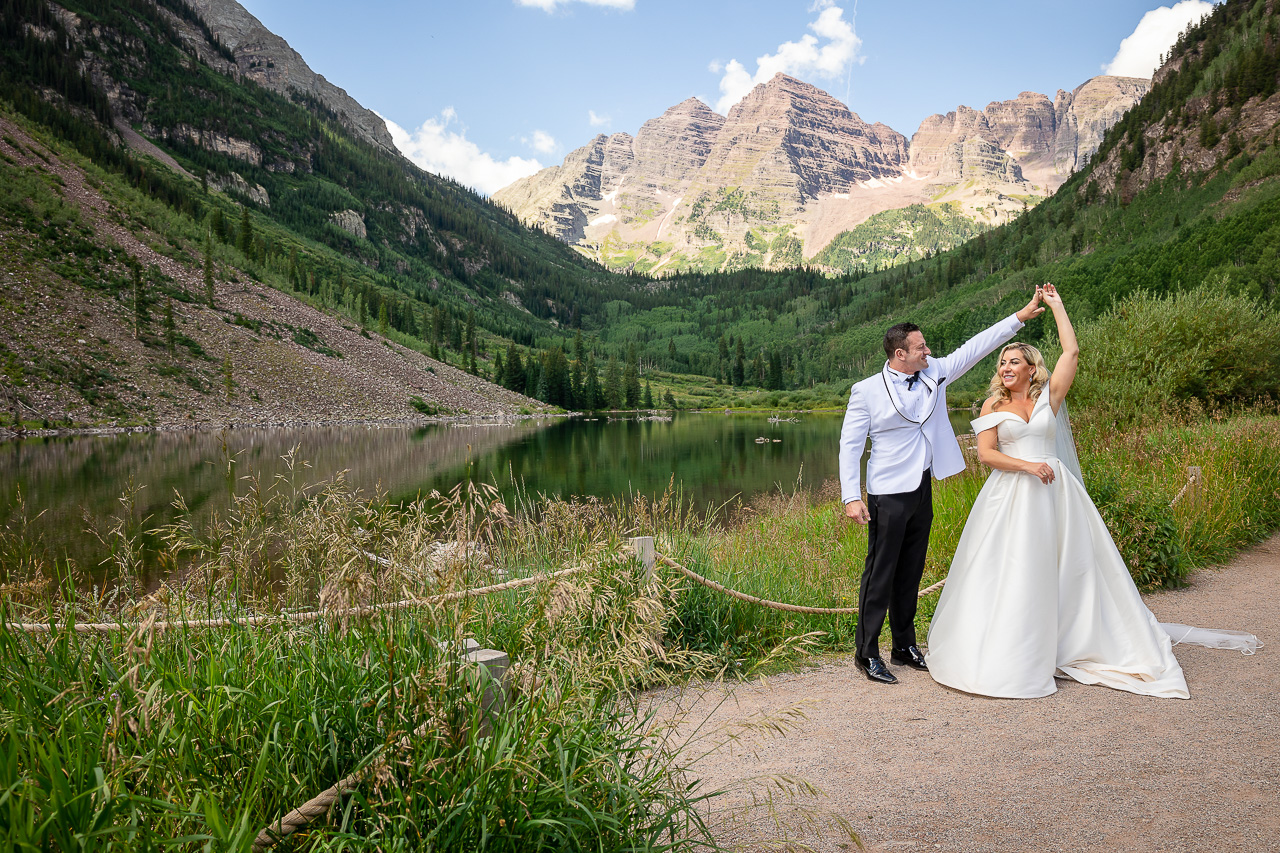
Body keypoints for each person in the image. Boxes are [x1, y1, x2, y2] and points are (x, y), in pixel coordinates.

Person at [925, 284, 1258, 699]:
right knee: (1013, 566)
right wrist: (1028, 465)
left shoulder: (1051, 396)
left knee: (1070, 566)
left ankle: (1071, 639)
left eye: (1014, 361)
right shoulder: (993, 406)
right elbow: (988, 455)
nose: (1006, 367)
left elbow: (1072, 353)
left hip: (1056, 494)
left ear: (1032, 368)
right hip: (1012, 495)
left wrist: (1057, 305)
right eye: (1002, 362)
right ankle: (1012, 647)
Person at [839, 290, 1046, 684]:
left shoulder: (935, 371)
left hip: (922, 486)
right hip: (886, 491)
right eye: (920, 347)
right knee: (879, 573)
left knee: (912, 571)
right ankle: (866, 654)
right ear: (900, 353)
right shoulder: (865, 391)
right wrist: (852, 495)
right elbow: (849, 446)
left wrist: (1019, 317)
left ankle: (903, 646)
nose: (928, 351)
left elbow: (977, 347)